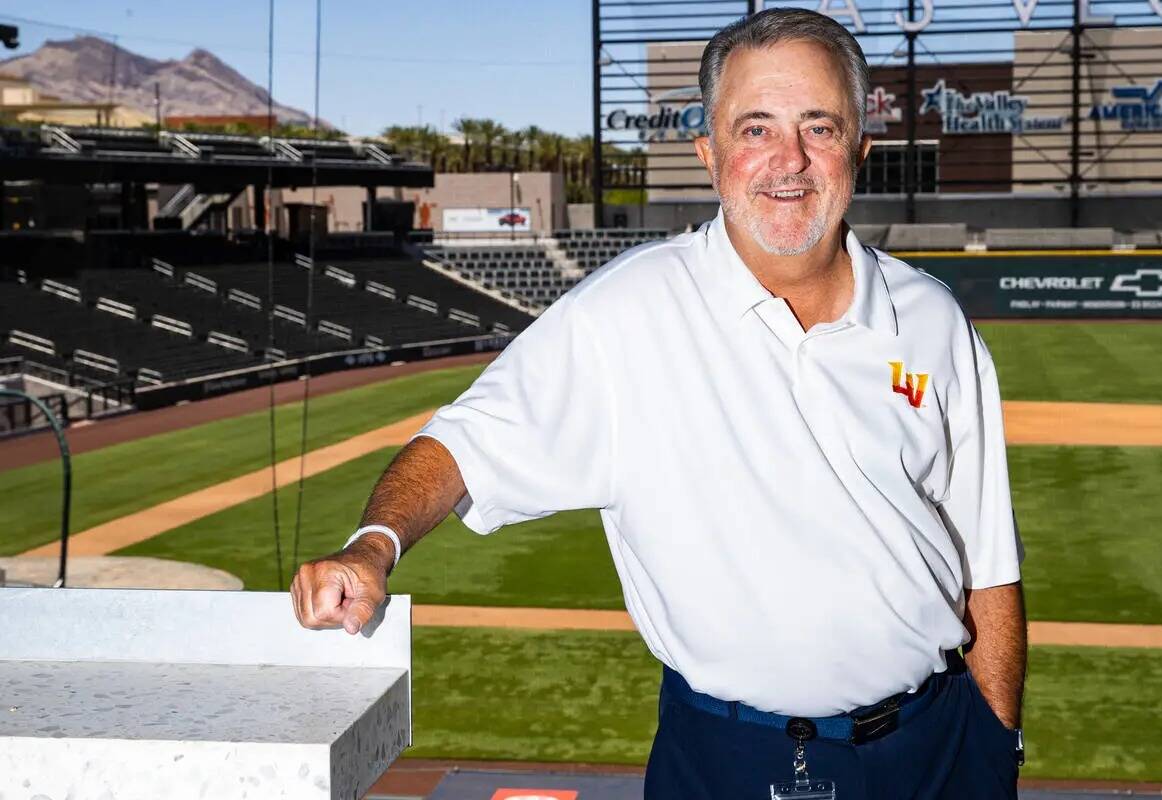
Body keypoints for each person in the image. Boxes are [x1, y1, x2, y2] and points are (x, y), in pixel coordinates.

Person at [291, 9, 1026, 799]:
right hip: (722, 758)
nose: (790, 159)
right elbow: (462, 447)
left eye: (819, 126)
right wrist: (373, 546)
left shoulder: (932, 319)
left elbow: (987, 561)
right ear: (709, 154)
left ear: (858, 149)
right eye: (755, 129)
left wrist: (994, 746)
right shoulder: (624, 313)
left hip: (933, 750)